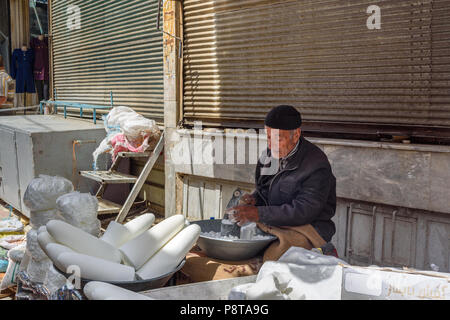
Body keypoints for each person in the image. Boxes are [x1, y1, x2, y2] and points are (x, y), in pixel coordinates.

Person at [229, 105, 337, 260]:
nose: (271, 145)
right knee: (238, 246)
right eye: (267, 137)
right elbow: (263, 189)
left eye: (278, 139)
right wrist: (255, 199)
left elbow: (303, 211)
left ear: (296, 134)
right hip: (275, 223)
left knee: (271, 260)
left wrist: (259, 213)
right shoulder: (269, 155)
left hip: (308, 228)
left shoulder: (316, 164)